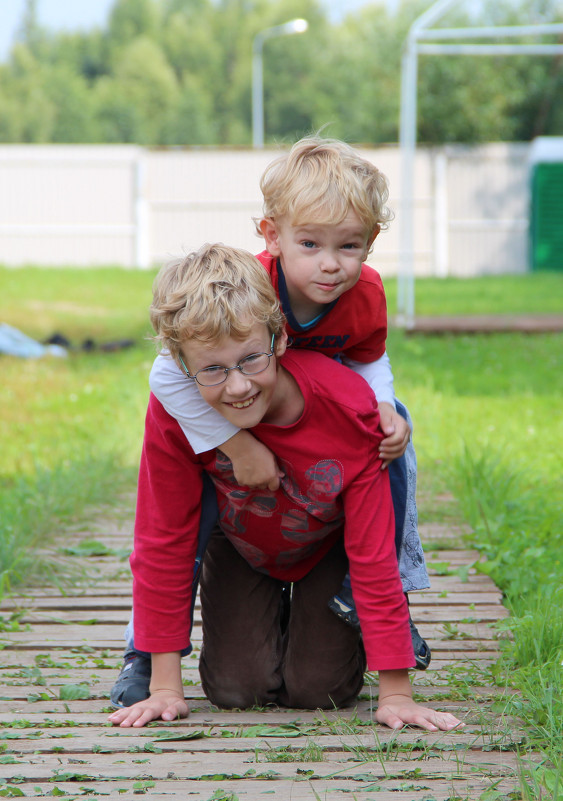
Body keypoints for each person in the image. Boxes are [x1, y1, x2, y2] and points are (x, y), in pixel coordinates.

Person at [110, 136, 431, 708]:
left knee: (391, 429)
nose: (329, 264)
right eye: (310, 244)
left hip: (322, 435)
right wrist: (238, 444)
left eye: (348, 246)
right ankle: (146, 654)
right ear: (273, 237)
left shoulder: (364, 298)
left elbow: (370, 357)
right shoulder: (242, 301)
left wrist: (380, 406)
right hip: (241, 495)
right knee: (237, 685)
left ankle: (377, 598)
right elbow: (169, 380)